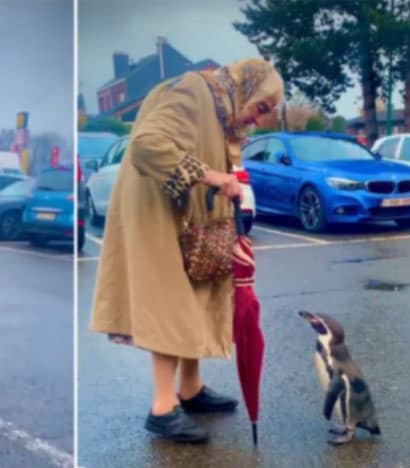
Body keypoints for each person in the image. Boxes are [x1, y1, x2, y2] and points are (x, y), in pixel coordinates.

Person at [89, 58, 284, 444]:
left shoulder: (218, 103)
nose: (259, 120)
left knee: (195, 295)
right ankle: (163, 408)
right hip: (157, 214)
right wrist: (213, 177)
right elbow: (147, 144)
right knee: (171, 305)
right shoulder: (193, 91)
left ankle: (190, 389)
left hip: (186, 215)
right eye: (261, 108)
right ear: (247, 89)